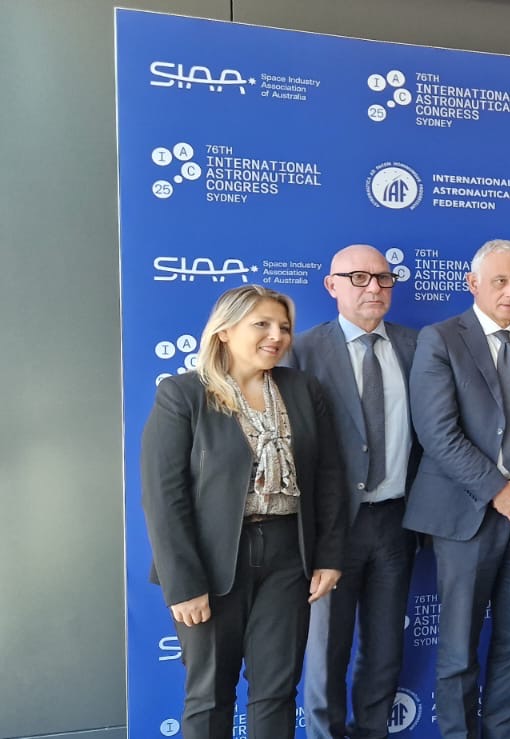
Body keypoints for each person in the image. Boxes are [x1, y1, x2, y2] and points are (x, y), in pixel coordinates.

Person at [140, 285, 345, 739]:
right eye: (262, 325)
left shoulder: (303, 389)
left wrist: (330, 555)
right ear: (225, 331)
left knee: (277, 691)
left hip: (289, 557)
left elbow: (329, 477)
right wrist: (184, 584)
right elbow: (163, 496)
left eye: (284, 327)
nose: (277, 336)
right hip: (212, 562)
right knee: (210, 695)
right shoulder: (184, 394)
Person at [403, 239, 510, 739]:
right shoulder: (440, 339)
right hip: (467, 513)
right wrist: (499, 490)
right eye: (500, 281)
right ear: (472, 283)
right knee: (458, 649)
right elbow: (437, 432)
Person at [292, 245, 419, 739]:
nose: (374, 288)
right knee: (326, 651)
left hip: (397, 522)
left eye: (384, 278)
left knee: (385, 650)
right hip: (332, 527)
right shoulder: (302, 351)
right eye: (359, 277)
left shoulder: (416, 345)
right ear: (332, 285)